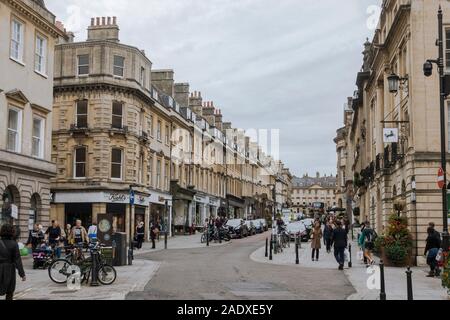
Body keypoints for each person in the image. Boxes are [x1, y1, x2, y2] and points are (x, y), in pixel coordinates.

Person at [0, 224, 26, 300]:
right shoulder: (14, 244)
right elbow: (17, 260)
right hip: (9, 270)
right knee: (9, 291)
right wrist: (22, 274)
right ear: (12, 232)